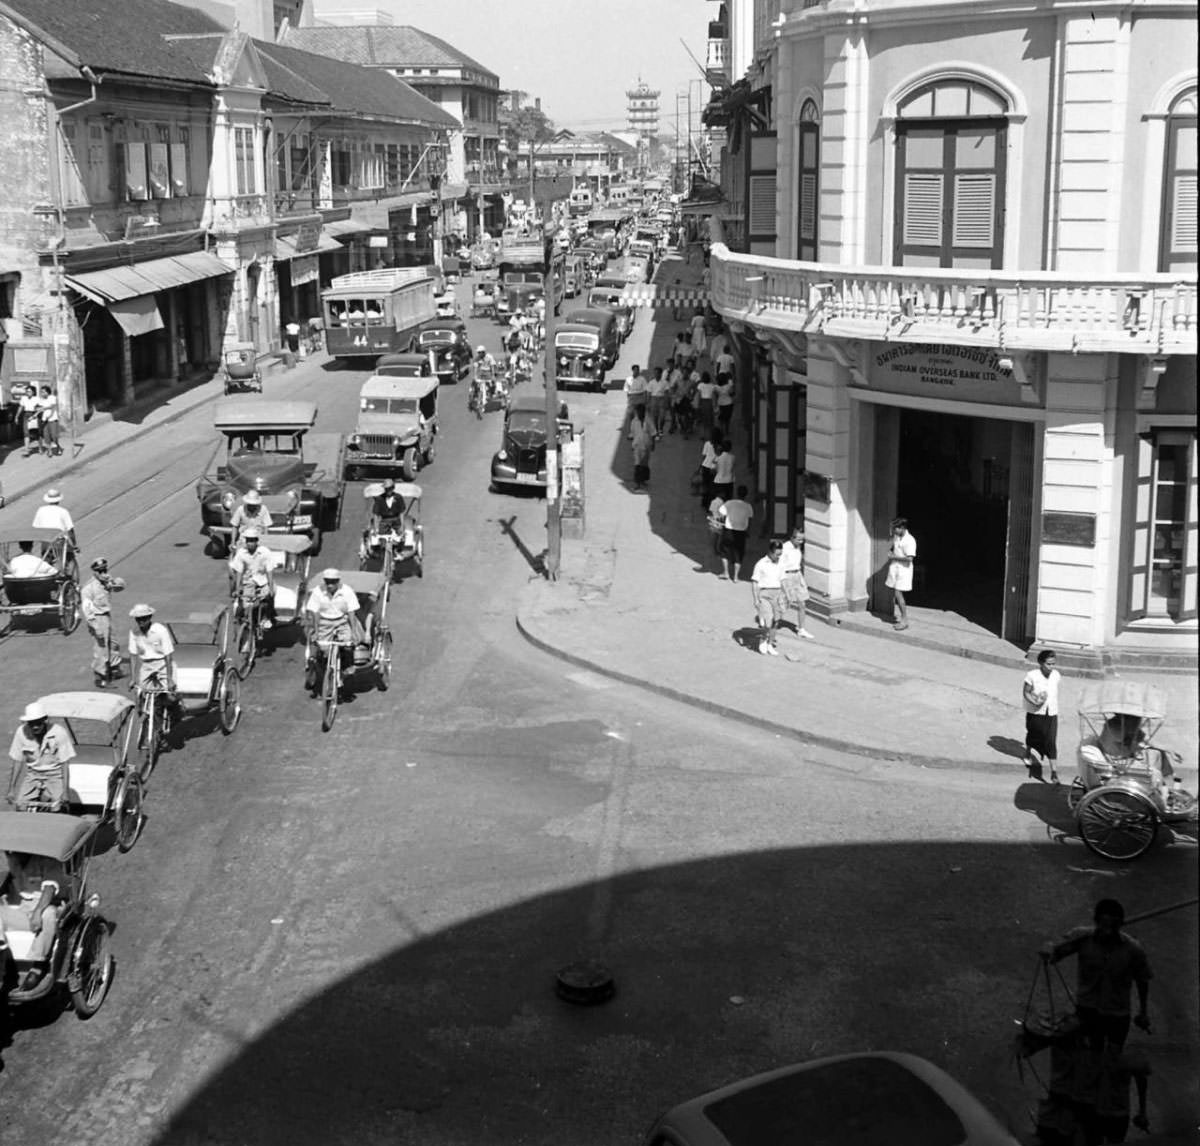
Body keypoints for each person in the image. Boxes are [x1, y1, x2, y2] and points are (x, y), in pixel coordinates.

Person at [1041, 899, 1152, 1056]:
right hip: (1088, 1010)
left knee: (1113, 1056)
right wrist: (1049, 949)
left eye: (1113, 926)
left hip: (1117, 1012)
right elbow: (1055, 952)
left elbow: (1143, 980)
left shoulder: (1133, 949)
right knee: (1091, 1056)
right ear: (1096, 921)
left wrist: (1143, 1012)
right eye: (1104, 924)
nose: (1108, 931)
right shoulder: (1080, 938)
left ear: (1120, 925)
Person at [0, 850, 65, 991]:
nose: (10, 854)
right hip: (23, 908)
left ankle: (38, 964)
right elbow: (8, 880)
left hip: (46, 905)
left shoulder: (47, 861)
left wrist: (38, 911)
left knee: (47, 914)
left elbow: (50, 888)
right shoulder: (13, 860)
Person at [7, 700, 75, 812]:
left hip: (55, 774)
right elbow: (17, 760)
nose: (34, 727)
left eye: (38, 723)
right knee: (20, 805)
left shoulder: (59, 733)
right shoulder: (21, 732)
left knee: (57, 807)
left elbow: (65, 764)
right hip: (32, 774)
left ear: (45, 720)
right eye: (31, 723)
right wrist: (11, 789)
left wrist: (65, 792)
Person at [303, 569, 361, 693]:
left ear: (338, 581)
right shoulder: (318, 592)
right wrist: (316, 631)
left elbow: (351, 612)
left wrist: (354, 631)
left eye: (333, 582)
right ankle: (326, 672)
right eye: (328, 582)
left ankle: (347, 667)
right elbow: (315, 612)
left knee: (348, 644)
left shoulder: (347, 591)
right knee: (323, 649)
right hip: (324, 622)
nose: (330, 585)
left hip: (342, 621)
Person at [80, 557, 126, 687]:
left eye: (104, 570)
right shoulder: (89, 588)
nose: (103, 573)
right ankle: (101, 676)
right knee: (101, 648)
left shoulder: (105, 583)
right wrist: (96, 628)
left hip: (106, 615)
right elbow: (87, 609)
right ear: (94, 572)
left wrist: (112, 582)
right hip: (97, 617)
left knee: (113, 643)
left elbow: (120, 587)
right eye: (99, 571)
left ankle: (115, 668)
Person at [1023, 650, 1062, 781]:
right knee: (1033, 735)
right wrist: (1035, 701)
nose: (1051, 667)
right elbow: (1026, 692)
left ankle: (1054, 772)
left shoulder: (1056, 675)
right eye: (1048, 664)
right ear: (1041, 663)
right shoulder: (1032, 675)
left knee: (1051, 741)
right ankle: (1027, 753)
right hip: (1036, 712)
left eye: (1053, 664)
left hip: (1051, 713)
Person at [227, 528, 276, 629]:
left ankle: (266, 617)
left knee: (269, 595)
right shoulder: (241, 553)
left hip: (263, 581)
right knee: (244, 603)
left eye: (252, 540)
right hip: (248, 581)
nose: (250, 543)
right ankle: (241, 618)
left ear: (257, 541)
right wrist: (238, 588)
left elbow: (269, 571)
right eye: (248, 540)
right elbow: (239, 572)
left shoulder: (265, 552)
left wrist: (271, 587)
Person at [128, 602, 177, 693]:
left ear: (149, 617)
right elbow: (133, 655)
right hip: (146, 665)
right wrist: (133, 678)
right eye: (138, 619)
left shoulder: (160, 630)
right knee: (141, 693)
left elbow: (168, 656)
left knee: (170, 695)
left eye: (144, 619)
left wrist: (169, 679)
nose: (141, 622)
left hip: (162, 664)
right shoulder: (134, 632)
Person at [751, 540, 786, 656]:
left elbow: (783, 580)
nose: (779, 557)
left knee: (776, 621)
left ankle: (770, 643)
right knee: (768, 621)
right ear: (770, 552)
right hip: (765, 594)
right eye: (777, 554)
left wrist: (787, 594)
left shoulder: (781, 563)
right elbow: (755, 582)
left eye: (780, 554)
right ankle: (763, 638)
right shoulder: (761, 564)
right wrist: (756, 599)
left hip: (777, 594)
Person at [780, 526, 815, 641]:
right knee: (783, 605)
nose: (801, 542)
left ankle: (801, 629)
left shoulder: (798, 547)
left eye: (802, 539)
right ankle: (767, 620)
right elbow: (779, 566)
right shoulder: (784, 548)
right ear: (792, 537)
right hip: (787, 576)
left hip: (797, 575)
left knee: (802, 604)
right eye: (799, 539)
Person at [886, 517, 917, 631]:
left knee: (898, 594)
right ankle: (902, 618)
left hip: (904, 571)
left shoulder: (910, 540)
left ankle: (904, 620)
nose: (894, 531)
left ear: (902, 528)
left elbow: (909, 559)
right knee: (896, 593)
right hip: (895, 569)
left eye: (896, 529)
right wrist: (891, 550)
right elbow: (894, 545)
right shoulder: (897, 537)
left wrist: (894, 557)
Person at [718, 485, 754, 582]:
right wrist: (748, 531)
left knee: (724, 551)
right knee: (739, 553)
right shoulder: (748, 507)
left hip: (728, 530)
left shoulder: (729, 503)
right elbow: (750, 521)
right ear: (746, 495)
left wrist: (722, 523)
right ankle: (736, 576)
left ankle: (726, 572)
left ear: (736, 493)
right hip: (741, 532)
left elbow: (721, 513)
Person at [629, 403, 656, 491]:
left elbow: (653, 433)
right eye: (638, 411)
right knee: (637, 464)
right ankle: (637, 483)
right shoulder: (634, 421)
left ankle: (643, 479)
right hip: (637, 445)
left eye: (640, 411)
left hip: (646, 445)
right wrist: (632, 444)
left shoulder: (648, 421)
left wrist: (653, 444)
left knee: (644, 463)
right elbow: (633, 433)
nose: (639, 413)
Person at [622, 365, 647, 436]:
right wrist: (629, 399)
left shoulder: (642, 379)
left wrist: (645, 400)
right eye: (635, 370)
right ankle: (632, 432)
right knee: (631, 415)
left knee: (641, 415)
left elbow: (645, 390)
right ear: (632, 370)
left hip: (640, 397)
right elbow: (626, 390)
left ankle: (641, 430)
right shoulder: (628, 379)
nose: (637, 371)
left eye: (638, 370)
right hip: (632, 398)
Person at [38, 386, 62, 457]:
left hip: (53, 420)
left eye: (43, 392)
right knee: (46, 436)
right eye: (41, 392)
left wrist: (45, 409)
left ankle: (58, 447)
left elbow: (53, 406)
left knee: (54, 435)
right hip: (45, 420)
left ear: (47, 392)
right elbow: (39, 409)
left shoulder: (52, 398)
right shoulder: (41, 400)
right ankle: (49, 451)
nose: (42, 393)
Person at [647, 367, 670, 440]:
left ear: (660, 374)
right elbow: (649, 393)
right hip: (654, 399)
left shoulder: (665, 382)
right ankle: (656, 432)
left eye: (657, 373)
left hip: (662, 399)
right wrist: (648, 403)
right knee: (655, 417)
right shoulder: (651, 382)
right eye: (655, 373)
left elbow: (666, 393)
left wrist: (667, 402)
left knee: (662, 417)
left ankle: (661, 428)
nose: (656, 374)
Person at [18, 387, 41, 457]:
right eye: (27, 391)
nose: (28, 393)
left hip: (34, 415)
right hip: (26, 415)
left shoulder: (37, 399)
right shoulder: (23, 398)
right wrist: (17, 416)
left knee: (37, 433)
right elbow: (21, 407)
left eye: (29, 391)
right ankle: (27, 450)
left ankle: (40, 447)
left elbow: (40, 409)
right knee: (26, 433)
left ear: (33, 392)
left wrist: (34, 416)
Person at [712, 438, 736, 503]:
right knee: (728, 500)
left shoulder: (717, 458)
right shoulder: (733, 457)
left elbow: (713, 469)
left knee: (719, 501)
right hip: (729, 481)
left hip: (719, 481)